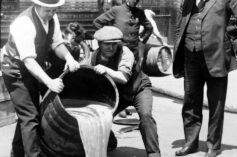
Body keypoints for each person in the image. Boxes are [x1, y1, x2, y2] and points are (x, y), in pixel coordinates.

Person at [172, 0, 237, 156]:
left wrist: (226, 34)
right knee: (190, 101)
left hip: (216, 57)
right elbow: (179, 26)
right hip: (190, 56)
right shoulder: (187, 2)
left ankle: (213, 146)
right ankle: (190, 143)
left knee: (216, 104)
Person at [0, 0, 80, 156]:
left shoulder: (52, 18)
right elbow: (28, 60)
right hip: (15, 68)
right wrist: (49, 82)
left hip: (32, 66)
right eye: (47, 10)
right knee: (30, 116)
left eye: (54, 10)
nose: (51, 14)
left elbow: (57, 44)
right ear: (37, 5)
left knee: (28, 113)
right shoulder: (24, 23)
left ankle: (17, 153)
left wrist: (69, 57)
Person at [85, 26, 161, 157]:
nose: (111, 48)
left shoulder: (125, 52)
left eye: (114, 44)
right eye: (107, 44)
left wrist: (106, 70)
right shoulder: (95, 56)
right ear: (99, 44)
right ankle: (110, 142)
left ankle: (154, 153)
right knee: (102, 116)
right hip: (119, 93)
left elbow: (123, 78)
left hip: (139, 89)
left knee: (146, 116)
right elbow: (87, 72)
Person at [93, 0, 153, 65]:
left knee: (134, 71)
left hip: (133, 50)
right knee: (116, 71)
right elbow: (97, 22)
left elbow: (149, 28)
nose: (135, 1)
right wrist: (108, 37)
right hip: (118, 50)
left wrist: (142, 40)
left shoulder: (139, 13)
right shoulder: (116, 10)